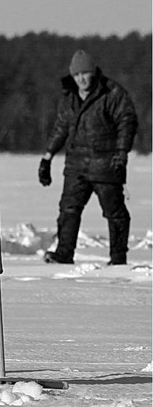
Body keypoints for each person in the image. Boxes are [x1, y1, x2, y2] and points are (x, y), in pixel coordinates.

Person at [38, 50, 139, 265]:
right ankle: (64, 254)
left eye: (85, 73)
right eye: (77, 75)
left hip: (106, 165)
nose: (81, 79)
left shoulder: (112, 93)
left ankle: (118, 258)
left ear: (93, 73)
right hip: (76, 166)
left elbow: (127, 122)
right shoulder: (69, 97)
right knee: (68, 210)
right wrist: (47, 157)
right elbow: (61, 127)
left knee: (115, 213)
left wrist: (121, 154)